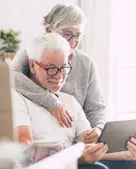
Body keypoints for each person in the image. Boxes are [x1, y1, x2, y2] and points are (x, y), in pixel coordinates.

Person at [12, 33, 136, 169]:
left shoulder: (69, 102)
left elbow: (91, 149)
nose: (58, 76)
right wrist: (77, 157)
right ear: (33, 66)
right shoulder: (18, 98)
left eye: (63, 68)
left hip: (72, 163)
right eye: (50, 68)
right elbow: (24, 152)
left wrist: (128, 153)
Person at [10, 3, 104, 143]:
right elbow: (11, 77)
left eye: (77, 35)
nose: (73, 42)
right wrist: (52, 102)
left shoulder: (87, 64)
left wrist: (98, 129)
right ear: (48, 30)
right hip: (47, 142)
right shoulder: (32, 54)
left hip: (78, 139)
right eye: (67, 34)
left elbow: (96, 108)